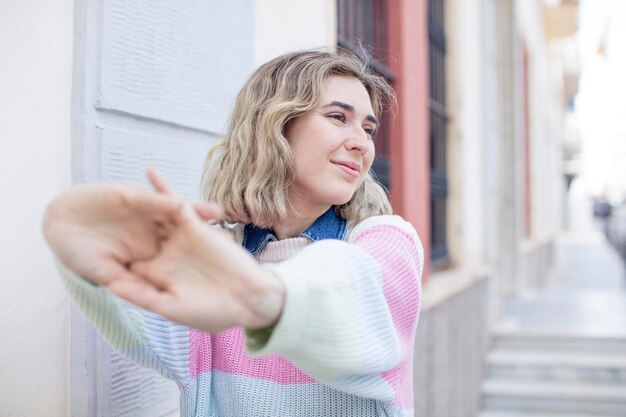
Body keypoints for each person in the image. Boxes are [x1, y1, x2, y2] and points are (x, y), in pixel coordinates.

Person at [43, 49, 424, 417]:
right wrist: (78, 233)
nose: (362, 143)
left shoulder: (385, 241)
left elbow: (355, 302)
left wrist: (257, 296)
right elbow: (132, 313)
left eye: (368, 127)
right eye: (338, 117)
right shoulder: (221, 254)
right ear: (274, 127)